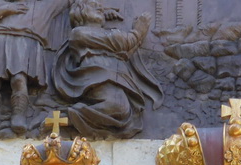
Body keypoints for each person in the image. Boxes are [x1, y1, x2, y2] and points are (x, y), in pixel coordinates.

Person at [53, 0, 162, 139]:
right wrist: (138, 31)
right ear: (82, 11)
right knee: (118, 107)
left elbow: (124, 54)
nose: (100, 7)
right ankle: (66, 117)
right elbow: (119, 42)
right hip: (96, 77)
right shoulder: (79, 33)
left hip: (113, 76)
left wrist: (137, 37)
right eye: (94, 6)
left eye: (100, 7)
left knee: (121, 109)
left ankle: (70, 118)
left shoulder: (101, 33)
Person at [0, 0, 69, 136]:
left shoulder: (43, 5)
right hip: (0, 40)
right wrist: (2, 11)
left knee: (19, 80)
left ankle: (18, 116)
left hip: (25, 42)